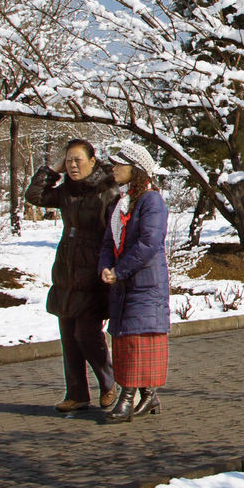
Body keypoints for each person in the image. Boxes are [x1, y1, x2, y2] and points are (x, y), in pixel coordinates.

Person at [25, 139, 118, 413]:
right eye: (69, 160)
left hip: (93, 271)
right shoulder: (66, 190)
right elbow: (35, 196)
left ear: (93, 160)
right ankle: (76, 393)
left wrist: (110, 269)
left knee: (87, 333)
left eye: (78, 159)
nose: (73, 165)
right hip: (66, 268)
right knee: (68, 334)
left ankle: (109, 384)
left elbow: (113, 234)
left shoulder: (107, 190)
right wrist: (52, 170)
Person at [99, 141, 170, 423]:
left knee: (136, 340)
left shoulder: (151, 200)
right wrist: (106, 267)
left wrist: (121, 270)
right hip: (125, 282)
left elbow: (150, 242)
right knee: (127, 339)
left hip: (145, 284)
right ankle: (147, 394)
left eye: (120, 164)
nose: (113, 169)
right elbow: (108, 241)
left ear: (136, 169)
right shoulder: (122, 202)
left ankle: (129, 397)